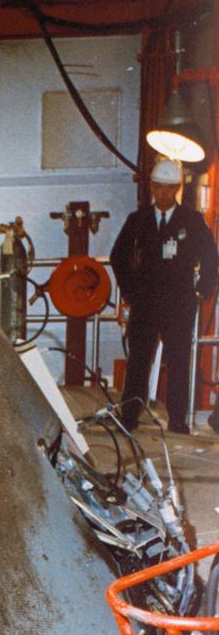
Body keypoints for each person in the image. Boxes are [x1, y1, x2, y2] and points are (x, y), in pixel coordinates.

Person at [110, 158, 217, 434]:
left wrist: (202, 290)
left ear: (178, 188)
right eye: (159, 188)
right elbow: (118, 256)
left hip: (179, 303)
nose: (164, 194)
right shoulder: (139, 220)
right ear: (152, 188)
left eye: (170, 188)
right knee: (138, 360)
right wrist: (130, 290)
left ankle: (178, 421)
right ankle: (130, 416)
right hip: (145, 301)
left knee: (179, 361)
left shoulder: (191, 221)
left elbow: (210, 256)